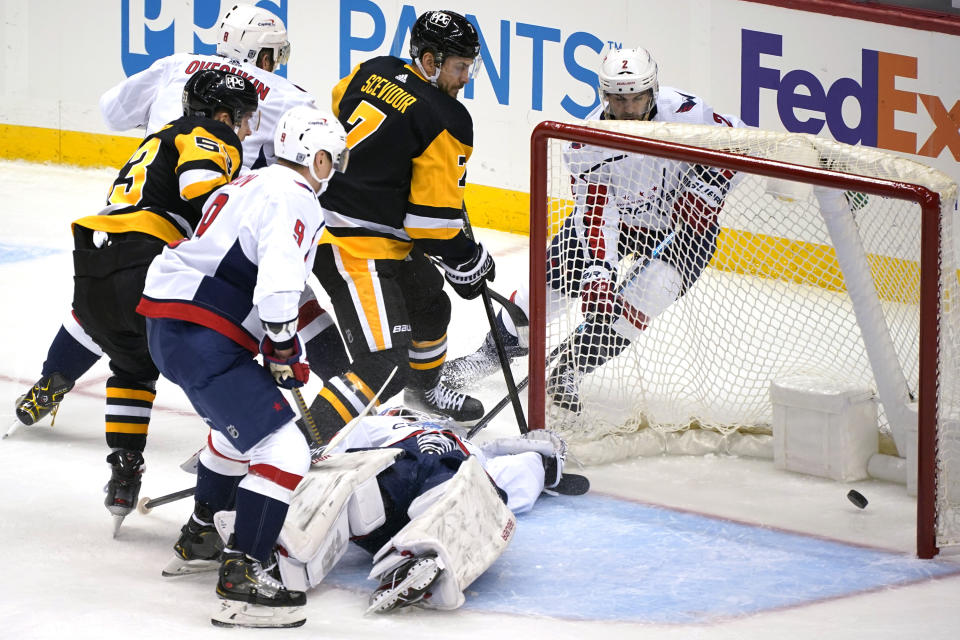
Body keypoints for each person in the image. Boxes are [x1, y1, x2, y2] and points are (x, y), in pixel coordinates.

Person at [14, 4, 348, 447]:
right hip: (211, 230)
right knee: (290, 292)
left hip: (131, 211)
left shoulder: (176, 66)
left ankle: (52, 377)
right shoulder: (288, 95)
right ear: (264, 57)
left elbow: (112, 112)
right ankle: (350, 390)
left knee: (108, 305)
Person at [442, 46, 745, 413]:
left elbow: (741, 144)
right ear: (604, 96)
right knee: (548, 290)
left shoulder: (688, 113)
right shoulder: (586, 141)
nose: (629, 110)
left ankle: (571, 368)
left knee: (644, 300)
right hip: (616, 223)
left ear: (653, 90)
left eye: (638, 99)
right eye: (619, 101)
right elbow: (599, 212)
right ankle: (491, 355)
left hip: (686, 231)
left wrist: (708, 188)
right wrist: (601, 270)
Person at [138, 105, 350, 629]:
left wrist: (302, 348)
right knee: (284, 447)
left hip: (171, 325)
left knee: (236, 436)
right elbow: (277, 281)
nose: (335, 171)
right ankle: (245, 576)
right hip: (205, 333)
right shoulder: (295, 196)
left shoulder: (253, 182)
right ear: (315, 157)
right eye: (333, 160)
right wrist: (281, 349)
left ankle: (202, 535)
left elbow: (274, 281)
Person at [66, 68, 256, 527]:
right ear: (224, 115)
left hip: (93, 271)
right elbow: (201, 190)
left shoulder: (158, 139)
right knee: (218, 357)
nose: (249, 130)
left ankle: (124, 469)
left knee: (132, 366)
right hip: (144, 264)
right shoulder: (210, 131)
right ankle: (230, 458)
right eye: (246, 118)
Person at [305, 9, 495, 441]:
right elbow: (429, 224)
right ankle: (301, 444)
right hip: (351, 243)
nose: (466, 77)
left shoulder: (372, 69)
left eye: (470, 66)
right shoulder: (448, 118)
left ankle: (424, 392)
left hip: (354, 225)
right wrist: (469, 259)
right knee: (383, 365)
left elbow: (335, 119)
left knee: (430, 304)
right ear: (430, 62)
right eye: (459, 66)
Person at [219, 406, 570, 614]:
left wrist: (541, 460)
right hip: (391, 477)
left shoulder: (475, 453)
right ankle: (286, 552)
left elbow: (514, 481)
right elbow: (340, 456)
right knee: (354, 488)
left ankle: (425, 556)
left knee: (466, 487)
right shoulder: (384, 423)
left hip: (443, 480)